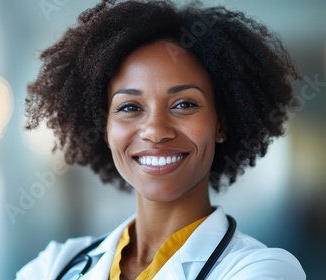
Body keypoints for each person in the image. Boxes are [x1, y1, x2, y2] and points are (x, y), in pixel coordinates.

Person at [18, 0, 306, 279]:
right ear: (103, 128)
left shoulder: (264, 269)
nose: (155, 131)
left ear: (221, 124)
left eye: (184, 104)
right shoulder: (55, 265)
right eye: (130, 108)